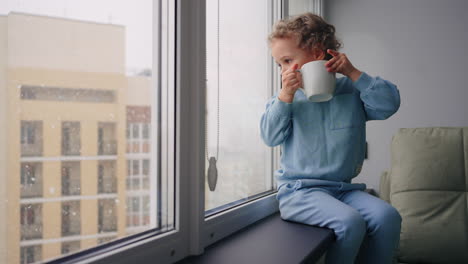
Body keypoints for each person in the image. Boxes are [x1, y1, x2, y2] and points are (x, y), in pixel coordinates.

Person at [260, 13, 402, 264]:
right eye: (279, 64)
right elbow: (270, 137)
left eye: (287, 60)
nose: (283, 71)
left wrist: (353, 72)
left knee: (388, 217)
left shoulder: (351, 91)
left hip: (343, 190)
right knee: (349, 222)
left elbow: (389, 104)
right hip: (299, 193)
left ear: (316, 54)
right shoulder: (286, 98)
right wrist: (284, 97)